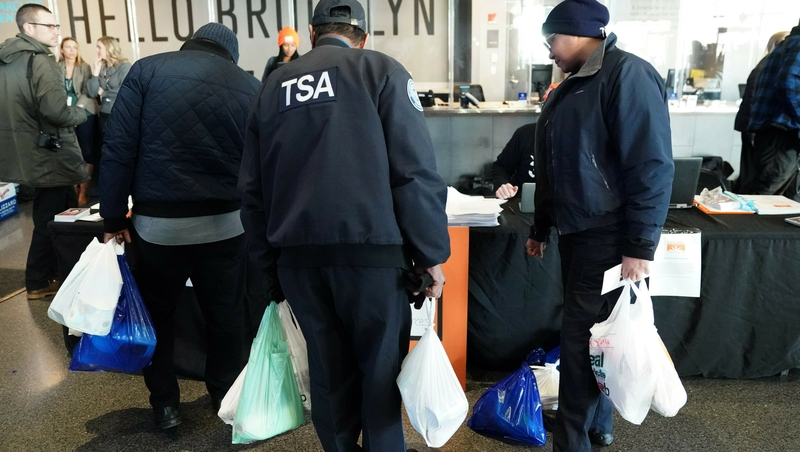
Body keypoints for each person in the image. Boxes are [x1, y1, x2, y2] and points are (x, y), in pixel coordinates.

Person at [238, 1, 450, 450]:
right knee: (378, 380)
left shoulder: (272, 87)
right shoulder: (381, 71)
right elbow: (413, 172)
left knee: (328, 379)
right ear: (362, 38)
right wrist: (431, 254)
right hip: (372, 260)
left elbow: (252, 192)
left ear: (311, 34)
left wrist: (268, 269)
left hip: (298, 262)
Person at [525, 1, 673, 451]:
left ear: (578, 32)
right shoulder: (573, 84)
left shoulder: (627, 75)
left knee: (579, 345)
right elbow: (554, 164)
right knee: (597, 338)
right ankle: (596, 424)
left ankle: (571, 443)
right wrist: (541, 225)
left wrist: (639, 245)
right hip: (578, 232)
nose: (548, 49)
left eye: (552, 38)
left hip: (608, 237)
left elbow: (651, 165)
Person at [100, 22, 260, 429]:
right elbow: (262, 162)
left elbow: (119, 146)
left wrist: (114, 216)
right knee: (226, 317)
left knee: (159, 315)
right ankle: (225, 396)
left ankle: (166, 404)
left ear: (189, 44)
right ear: (231, 54)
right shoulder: (248, 84)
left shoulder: (147, 70)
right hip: (227, 224)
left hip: (158, 226)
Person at [0, 4, 89, 300]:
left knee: (59, 211)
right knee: (52, 217)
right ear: (28, 28)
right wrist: (80, 112)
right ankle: (38, 281)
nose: (56, 31)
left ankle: (54, 273)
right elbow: (55, 112)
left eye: (56, 26)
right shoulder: (40, 60)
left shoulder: (7, 59)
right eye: (49, 26)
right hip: (49, 152)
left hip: (25, 151)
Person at [744, 20, 800, 201]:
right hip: (781, 133)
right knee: (762, 196)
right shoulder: (797, 44)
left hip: (779, 132)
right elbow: (789, 80)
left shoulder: (788, 44)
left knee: (783, 200)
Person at [734, 31, 790, 193]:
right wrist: (754, 132)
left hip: (756, 128)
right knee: (759, 178)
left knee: (754, 175)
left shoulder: (769, 65)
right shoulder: (769, 66)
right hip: (758, 129)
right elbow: (754, 100)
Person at [59, 37, 99, 206]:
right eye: (68, 47)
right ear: (62, 50)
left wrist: (77, 108)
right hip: (63, 113)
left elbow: (87, 91)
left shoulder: (84, 67)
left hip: (84, 112)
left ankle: (84, 189)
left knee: (86, 149)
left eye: (75, 47)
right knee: (68, 150)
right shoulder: (56, 67)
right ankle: (73, 185)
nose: (72, 50)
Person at [492, 123, 536, 199]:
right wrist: (503, 185)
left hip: (560, 208)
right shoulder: (526, 133)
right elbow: (501, 167)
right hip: (520, 205)